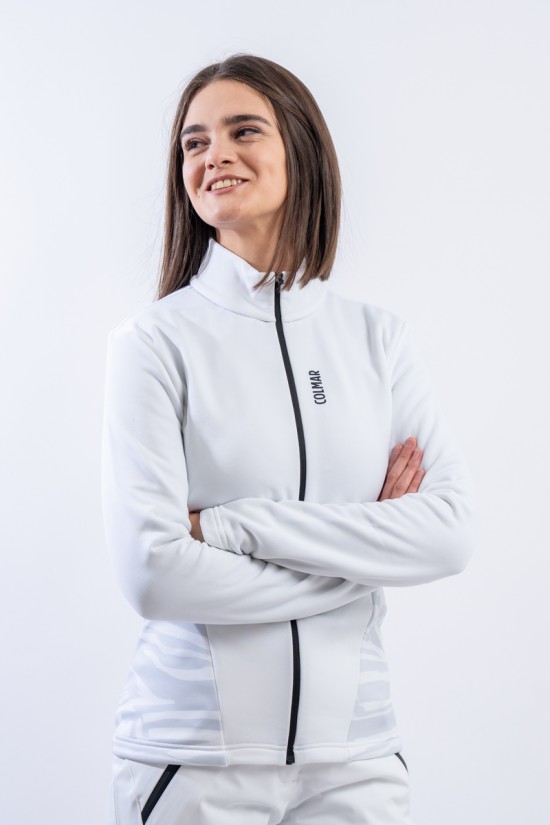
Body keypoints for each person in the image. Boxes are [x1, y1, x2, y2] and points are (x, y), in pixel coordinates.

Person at [101, 53, 476, 825]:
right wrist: (362, 559)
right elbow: (154, 574)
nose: (214, 154)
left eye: (243, 131)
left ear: (300, 150)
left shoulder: (378, 340)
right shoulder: (155, 343)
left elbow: (446, 534)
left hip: (358, 762)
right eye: (195, 142)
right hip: (194, 761)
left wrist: (231, 526)